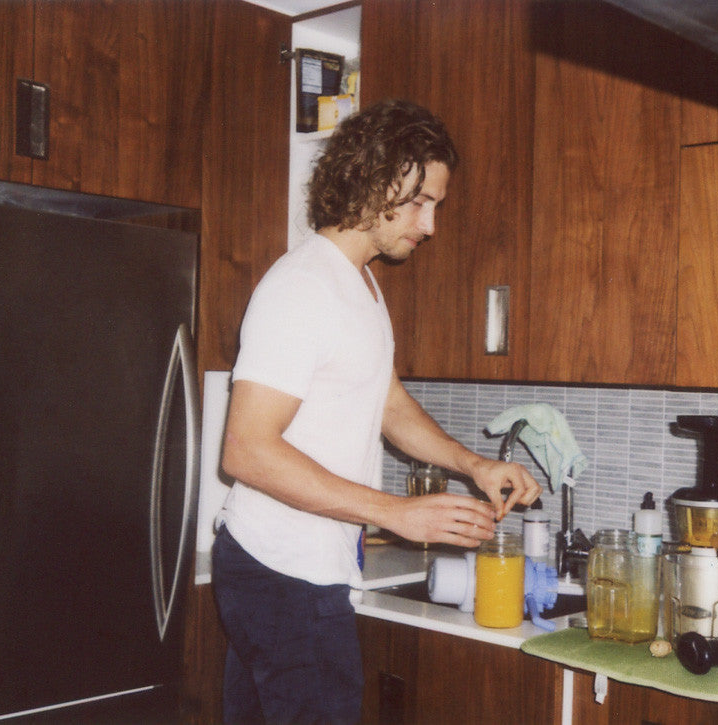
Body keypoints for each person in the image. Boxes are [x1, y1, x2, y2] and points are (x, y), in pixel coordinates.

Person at [211, 98, 542, 724]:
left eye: (436, 205)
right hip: (283, 572)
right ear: (371, 180)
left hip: (293, 570)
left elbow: (387, 403)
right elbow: (247, 451)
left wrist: (472, 465)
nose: (430, 225)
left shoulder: (359, 282)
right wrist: (395, 512)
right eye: (420, 202)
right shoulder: (302, 286)